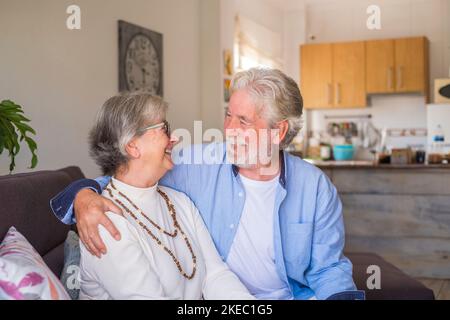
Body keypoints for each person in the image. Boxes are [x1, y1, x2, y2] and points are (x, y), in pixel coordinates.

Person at [51, 68, 364, 300]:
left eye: (243, 121)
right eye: (228, 116)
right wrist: (83, 194)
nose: (228, 130)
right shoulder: (196, 165)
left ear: (278, 132)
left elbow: (328, 270)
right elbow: (127, 176)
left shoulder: (314, 187)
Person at [75, 92, 254, 299]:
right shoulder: (106, 223)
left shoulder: (179, 201)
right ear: (132, 146)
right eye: (164, 129)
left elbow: (215, 275)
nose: (175, 138)